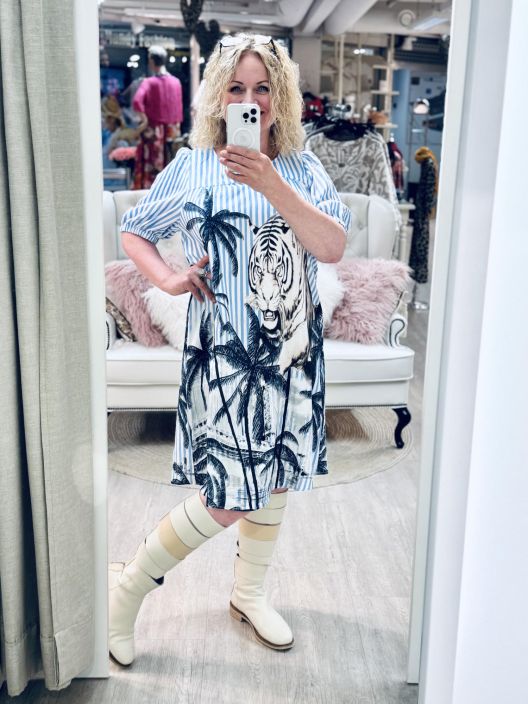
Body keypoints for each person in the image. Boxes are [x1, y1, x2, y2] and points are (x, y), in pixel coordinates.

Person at [109, 33, 352, 667]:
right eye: (237, 88)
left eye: (263, 88)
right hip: (223, 355)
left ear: (281, 96)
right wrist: (167, 279)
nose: (251, 100)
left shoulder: (303, 169)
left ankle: (249, 593)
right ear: (219, 97)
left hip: (291, 351)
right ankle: (128, 587)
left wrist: (272, 184)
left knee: (275, 477)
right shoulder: (192, 166)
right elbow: (134, 231)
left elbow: (331, 247)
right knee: (226, 495)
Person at [132, 45, 183, 189]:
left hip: (154, 132)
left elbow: (137, 101)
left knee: (153, 168)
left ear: (151, 61)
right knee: (173, 165)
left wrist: (144, 120)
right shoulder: (176, 82)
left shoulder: (148, 82)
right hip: (173, 131)